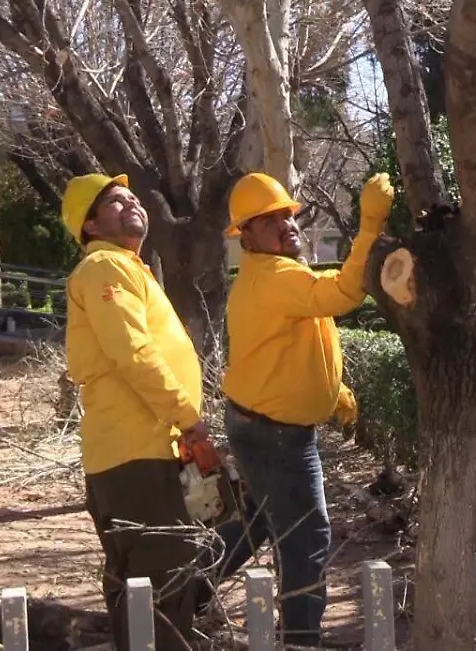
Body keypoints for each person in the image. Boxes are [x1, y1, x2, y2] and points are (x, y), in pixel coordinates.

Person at [205, 172, 393, 647]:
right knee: (307, 537)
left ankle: (188, 587)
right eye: (268, 221)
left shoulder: (275, 275)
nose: (285, 224)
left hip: (259, 425)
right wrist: (369, 225)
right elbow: (341, 295)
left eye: (287, 215)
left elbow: (303, 335)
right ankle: (300, 641)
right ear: (244, 235)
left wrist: (334, 390)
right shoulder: (274, 277)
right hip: (277, 436)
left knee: (262, 520)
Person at [61, 173, 221, 651]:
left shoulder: (125, 267)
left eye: (132, 196)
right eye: (114, 201)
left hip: (139, 450)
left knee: (143, 586)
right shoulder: (105, 268)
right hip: (138, 453)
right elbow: (133, 352)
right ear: (89, 225)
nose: (131, 202)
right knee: (163, 583)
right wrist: (188, 418)